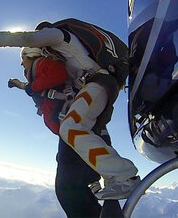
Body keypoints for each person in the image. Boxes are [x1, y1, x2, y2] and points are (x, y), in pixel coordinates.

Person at [0, 18, 140, 200]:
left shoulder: (58, 35)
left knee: (71, 128)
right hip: (98, 83)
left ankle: (124, 176)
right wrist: (21, 85)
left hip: (97, 82)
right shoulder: (65, 52)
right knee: (91, 132)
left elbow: (28, 39)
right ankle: (112, 179)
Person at [9, 47, 112, 217]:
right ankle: (92, 187)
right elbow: (45, 86)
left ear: (31, 56)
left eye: (23, 58)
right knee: (71, 183)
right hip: (71, 129)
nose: (21, 63)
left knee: (66, 188)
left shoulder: (42, 63)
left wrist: (31, 87)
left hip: (72, 129)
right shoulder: (38, 69)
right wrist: (20, 85)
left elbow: (57, 74)